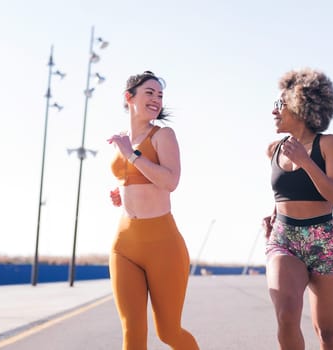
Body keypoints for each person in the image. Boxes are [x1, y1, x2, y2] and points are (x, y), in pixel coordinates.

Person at [107, 71, 199, 350]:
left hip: (163, 244)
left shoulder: (163, 135)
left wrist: (132, 155)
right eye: (150, 93)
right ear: (129, 97)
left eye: (160, 95)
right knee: (132, 332)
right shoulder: (122, 139)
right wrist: (120, 192)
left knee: (169, 332)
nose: (157, 100)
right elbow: (134, 176)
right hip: (125, 244)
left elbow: (170, 181)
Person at [263, 68, 333, 350]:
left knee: (327, 332)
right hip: (284, 240)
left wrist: (307, 162)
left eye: (279, 104)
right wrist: (274, 214)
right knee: (286, 316)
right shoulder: (273, 150)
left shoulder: (329, 144)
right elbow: (286, 192)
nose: (273, 110)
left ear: (299, 104)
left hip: (326, 243)